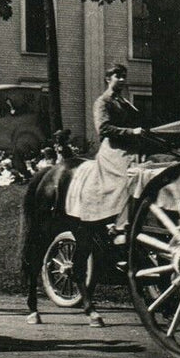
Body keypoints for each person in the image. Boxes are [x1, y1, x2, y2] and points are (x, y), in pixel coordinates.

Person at [66, 64, 149, 241]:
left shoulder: (125, 102)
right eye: (118, 76)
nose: (122, 80)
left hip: (133, 148)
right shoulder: (103, 102)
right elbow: (103, 129)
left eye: (124, 76)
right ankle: (119, 224)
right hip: (114, 150)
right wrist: (131, 132)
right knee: (128, 178)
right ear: (108, 79)